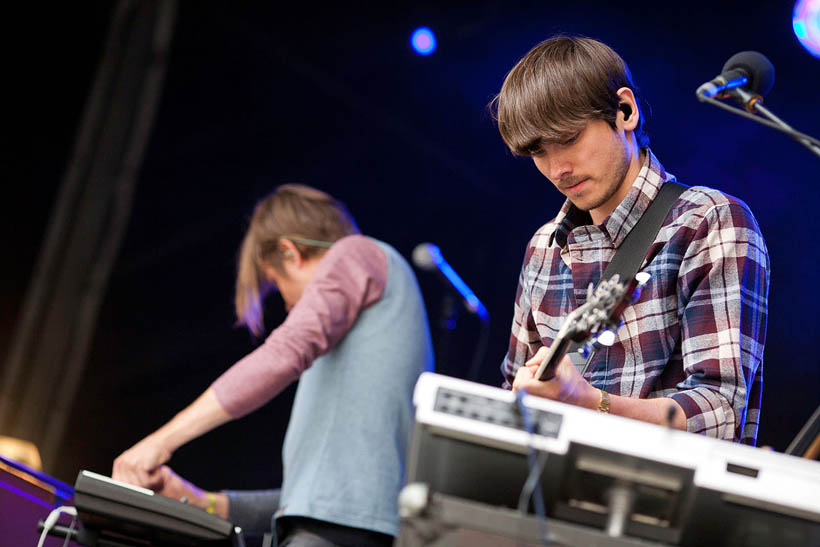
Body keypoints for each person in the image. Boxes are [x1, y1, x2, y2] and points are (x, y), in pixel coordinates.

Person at [113, 184, 434, 546]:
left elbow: (284, 351)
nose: (288, 307)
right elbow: (311, 502)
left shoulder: (355, 253)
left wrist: (159, 442)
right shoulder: (367, 335)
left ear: (290, 252)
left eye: (277, 284)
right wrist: (201, 502)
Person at [492, 36, 769, 444]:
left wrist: (592, 404)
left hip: (667, 499)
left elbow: (722, 412)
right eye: (537, 151)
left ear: (625, 110)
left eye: (569, 138)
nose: (558, 168)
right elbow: (513, 393)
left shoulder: (707, 220)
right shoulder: (542, 248)